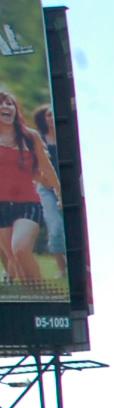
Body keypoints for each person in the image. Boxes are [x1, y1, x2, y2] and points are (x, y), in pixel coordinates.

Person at [0, 89, 55, 290]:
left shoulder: (29, 137)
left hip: (28, 203)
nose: (6, 107)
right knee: (13, 258)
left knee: (20, 248)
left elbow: (45, 169)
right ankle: (34, 297)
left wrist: (59, 192)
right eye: (1, 104)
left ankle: (45, 295)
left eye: (9, 103)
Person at [30, 106, 65, 280]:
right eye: (49, 115)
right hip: (47, 188)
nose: (52, 118)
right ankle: (62, 268)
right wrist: (52, 185)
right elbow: (35, 168)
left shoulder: (67, 137)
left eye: (54, 114)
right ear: (43, 119)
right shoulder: (38, 139)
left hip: (68, 187)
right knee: (55, 226)